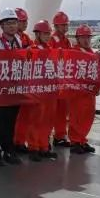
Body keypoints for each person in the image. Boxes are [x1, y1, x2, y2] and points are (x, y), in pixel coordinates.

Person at [0, 8, 26, 166]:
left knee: (11, 121)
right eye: (8, 23)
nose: (12, 26)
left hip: (15, 89)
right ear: (2, 26)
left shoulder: (18, 41)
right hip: (0, 90)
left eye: (14, 22)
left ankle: (9, 149)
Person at [25, 20, 59, 162]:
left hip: (49, 92)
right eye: (45, 33)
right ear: (37, 34)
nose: (47, 36)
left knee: (47, 120)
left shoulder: (51, 50)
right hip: (37, 91)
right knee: (35, 120)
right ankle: (33, 147)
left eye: (48, 33)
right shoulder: (31, 50)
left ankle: (44, 146)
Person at [68, 24, 99, 155]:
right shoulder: (74, 52)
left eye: (88, 37)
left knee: (88, 116)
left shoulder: (91, 53)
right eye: (83, 37)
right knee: (77, 116)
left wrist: (97, 87)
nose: (86, 40)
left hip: (89, 92)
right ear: (78, 39)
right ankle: (75, 142)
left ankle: (81, 140)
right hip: (78, 93)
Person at [12, 8, 35, 153]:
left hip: (25, 82)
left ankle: (20, 141)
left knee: (24, 114)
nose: (25, 23)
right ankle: (14, 142)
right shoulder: (11, 39)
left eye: (26, 21)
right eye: (22, 21)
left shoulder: (26, 38)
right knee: (14, 116)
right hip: (14, 83)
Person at [50, 10, 73, 147]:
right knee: (52, 110)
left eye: (66, 25)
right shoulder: (52, 40)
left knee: (63, 110)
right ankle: (47, 137)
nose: (65, 27)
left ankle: (60, 136)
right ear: (56, 26)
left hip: (63, 82)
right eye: (63, 25)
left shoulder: (66, 41)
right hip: (54, 82)